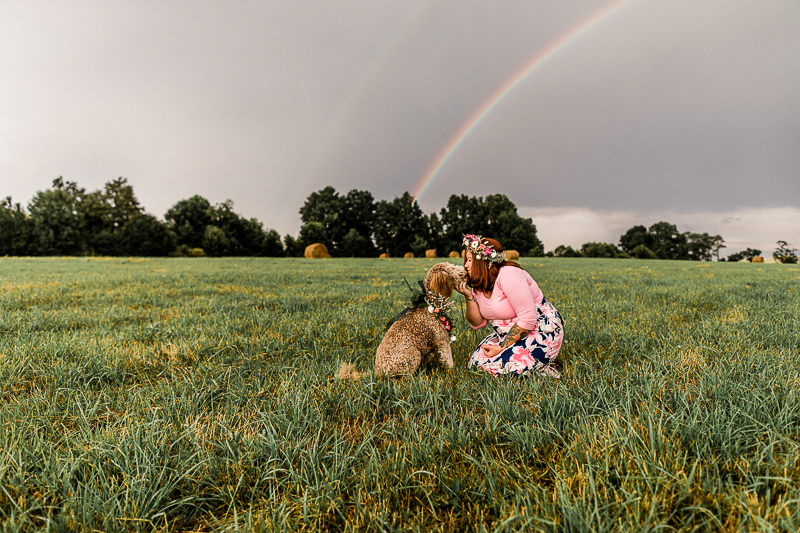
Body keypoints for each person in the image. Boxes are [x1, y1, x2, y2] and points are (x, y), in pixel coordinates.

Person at [455, 234, 564, 378]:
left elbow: (529, 319)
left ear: (483, 261)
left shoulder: (508, 274)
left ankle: (543, 364)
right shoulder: (479, 285)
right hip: (506, 334)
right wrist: (468, 296)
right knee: (476, 365)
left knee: (503, 369)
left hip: (540, 330)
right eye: (466, 260)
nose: (466, 265)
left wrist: (500, 347)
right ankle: (534, 362)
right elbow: (477, 322)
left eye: (470, 260)